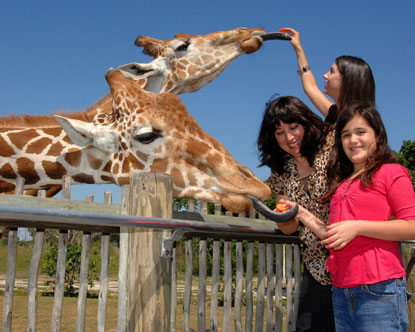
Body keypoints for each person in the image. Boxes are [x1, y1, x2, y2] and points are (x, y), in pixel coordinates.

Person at [282, 103, 415, 332]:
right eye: (346, 135)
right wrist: (300, 212)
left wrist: (358, 227)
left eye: (361, 132)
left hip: (379, 289)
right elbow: (333, 234)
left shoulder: (391, 172)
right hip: (341, 291)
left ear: (378, 134)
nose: (353, 140)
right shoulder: (343, 185)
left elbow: (411, 226)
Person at [257, 95, 335, 332]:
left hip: (351, 264)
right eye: (279, 132)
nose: (288, 138)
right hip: (315, 269)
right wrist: (284, 215)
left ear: (306, 124)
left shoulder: (332, 150)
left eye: (293, 127)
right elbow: (289, 229)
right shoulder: (281, 169)